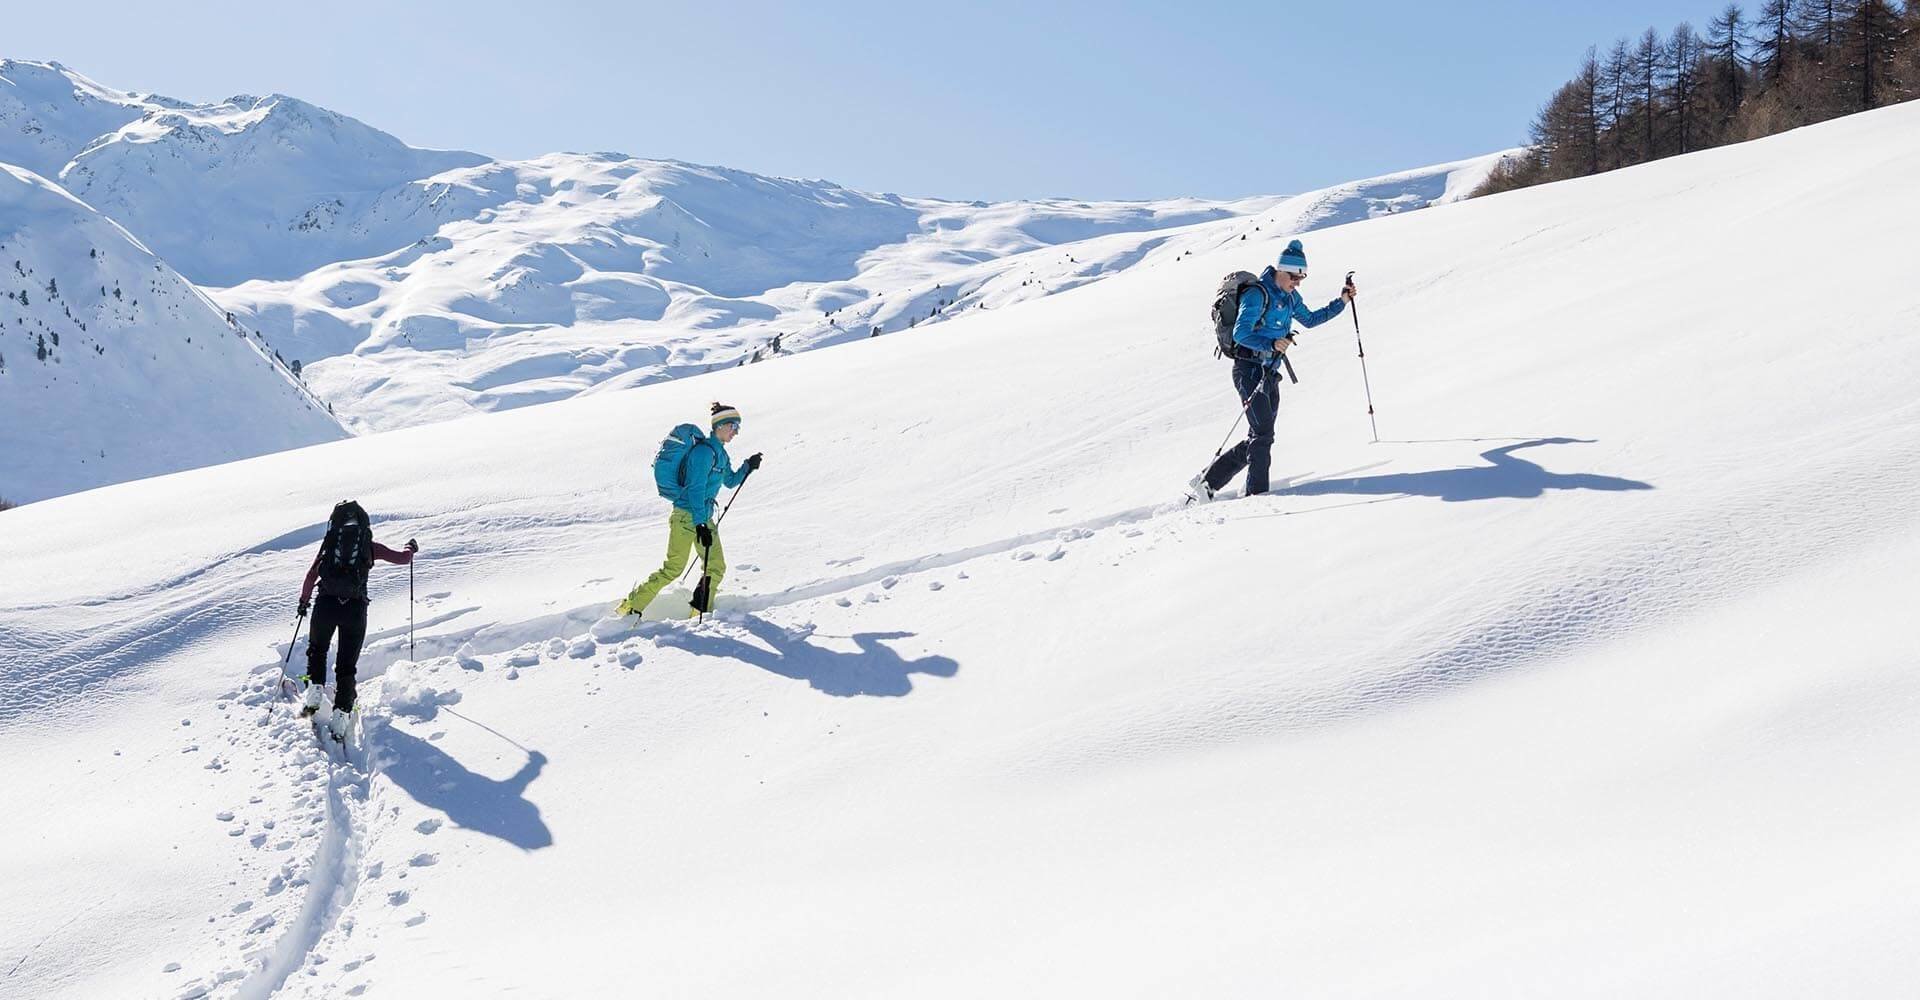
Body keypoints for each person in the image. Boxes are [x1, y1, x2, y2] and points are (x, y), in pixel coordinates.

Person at [1191, 240, 1356, 501]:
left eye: (1301, 278)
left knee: (1260, 436)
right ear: (1281, 271)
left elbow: (1311, 319)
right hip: (1248, 369)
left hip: (1270, 373)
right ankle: (1257, 496)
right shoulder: (1257, 294)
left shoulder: (1290, 298)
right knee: (1263, 435)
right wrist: (1270, 343)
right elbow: (1241, 332)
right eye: (1294, 277)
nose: (1297, 282)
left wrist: (1342, 301)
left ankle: (1208, 481)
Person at [617, 403, 763, 618]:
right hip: (687, 517)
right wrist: (700, 524)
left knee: (716, 566)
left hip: (702, 517)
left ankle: (699, 612)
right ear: (720, 425)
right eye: (733, 426)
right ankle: (630, 607)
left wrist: (747, 466)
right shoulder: (703, 453)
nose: (736, 432)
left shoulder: (720, 454)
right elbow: (696, 489)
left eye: (738, 428)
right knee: (673, 568)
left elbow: (730, 481)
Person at [297, 500, 416, 739]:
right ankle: (341, 719)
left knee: (317, 650)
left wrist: (304, 602)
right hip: (355, 610)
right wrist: (410, 547)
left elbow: (311, 576)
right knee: (346, 665)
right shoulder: (369, 547)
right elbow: (403, 559)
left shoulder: (329, 546)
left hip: (326, 605)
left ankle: (314, 693)